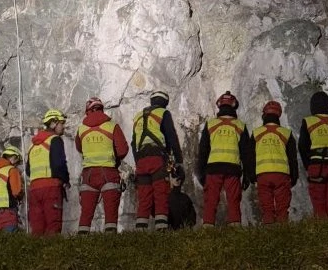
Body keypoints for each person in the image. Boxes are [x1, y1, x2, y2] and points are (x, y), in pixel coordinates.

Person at [197, 91, 253, 228]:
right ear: (234, 107)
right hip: (232, 168)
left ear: (220, 106)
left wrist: (200, 172)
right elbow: (246, 153)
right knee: (233, 200)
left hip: (213, 168)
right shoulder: (240, 125)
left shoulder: (211, 124)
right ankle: (235, 230)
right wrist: (247, 175)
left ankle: (207, 229)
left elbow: (203, 150)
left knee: (211, 200)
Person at [131, 90, 185, 231]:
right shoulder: (163, 113)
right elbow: (171, 136)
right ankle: (161, 230)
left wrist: (137, 162)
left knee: (144, 197)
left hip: (141, 160)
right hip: (157, 158)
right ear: (165, 102)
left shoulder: (138, 116)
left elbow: (133, 142)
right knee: (161, 194)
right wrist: (178, 161)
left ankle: (140, 232)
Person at [75, 97, 129, 234]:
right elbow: (123, 149)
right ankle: (109, 245)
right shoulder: (112, 125)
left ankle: (80, 245)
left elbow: (79, 148)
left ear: (88, 111)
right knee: (111, 212)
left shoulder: (81, 129)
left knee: (86, 213)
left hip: (88, 175)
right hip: (108, 172)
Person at [249, 100, 298, 224]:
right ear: (279, 115)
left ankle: (269, 234)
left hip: (262, 175)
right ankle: (282, 235)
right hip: (282, 175)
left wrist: (251, 175)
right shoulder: (286, 133)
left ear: (264, 115)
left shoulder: (256, 133)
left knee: (267, 209)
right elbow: (292, 157)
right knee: (282, 209)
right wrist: (294, 175)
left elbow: (250, 157)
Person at [298, 91, 328, 218]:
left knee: (318, 202)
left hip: (316, 165)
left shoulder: (308, 121)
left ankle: (322, 233)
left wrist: (308, 164)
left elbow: (302, 146)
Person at [26, 109, 70, 236]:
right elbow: (59, 164)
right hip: (51, 188)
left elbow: (29, 170)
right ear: (53, 123)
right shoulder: (55, 140)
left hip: (34, 189)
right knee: (53, 224)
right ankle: (52, 254)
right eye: (62, 123)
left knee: (37, 226)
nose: (63, 126)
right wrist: (65, 179)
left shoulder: (33, 145)